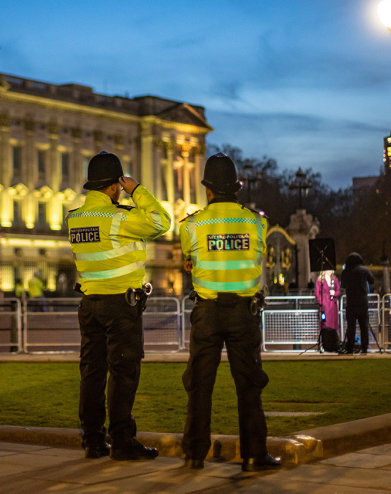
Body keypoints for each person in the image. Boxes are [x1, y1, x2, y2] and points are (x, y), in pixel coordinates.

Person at [179, 153, 281, 473]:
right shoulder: (257, 223)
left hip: (207, 312)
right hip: (243, 312)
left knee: (200, 384)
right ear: (236, 188)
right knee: (249, 384)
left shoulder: (192, 225)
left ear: (208, 190)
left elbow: (191, 258)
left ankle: (195, 453)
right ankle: (253, 454)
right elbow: (254, 256)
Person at [67, 151, 170, 461]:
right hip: (120, 306)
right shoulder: (118, 219)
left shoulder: (75, 219)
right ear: (115, 186)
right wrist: (137, 191)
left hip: (90, 303)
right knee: (123, 372)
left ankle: (93, 439)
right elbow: (160, 221)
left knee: (92, 373)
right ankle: (123, 440)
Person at [340, 252, 374, 354]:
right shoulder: (364, 270)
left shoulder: (345, 272)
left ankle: (350, 348)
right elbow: (372, 280)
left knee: (351, 327)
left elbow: (343, 286)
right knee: (364, 327)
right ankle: (364, 348)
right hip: (363, 302)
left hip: (351, 303)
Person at [314, 269, 341, 350]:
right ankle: (325, 344)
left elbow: (338, 291)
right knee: (324, 324)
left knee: (333, 325)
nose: (330, 271)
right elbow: (317, 292)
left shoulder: (334, 280)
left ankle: (333, 345)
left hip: (333, 305)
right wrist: (321, 302)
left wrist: (335, 293)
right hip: (324, 306)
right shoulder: (320, 280)